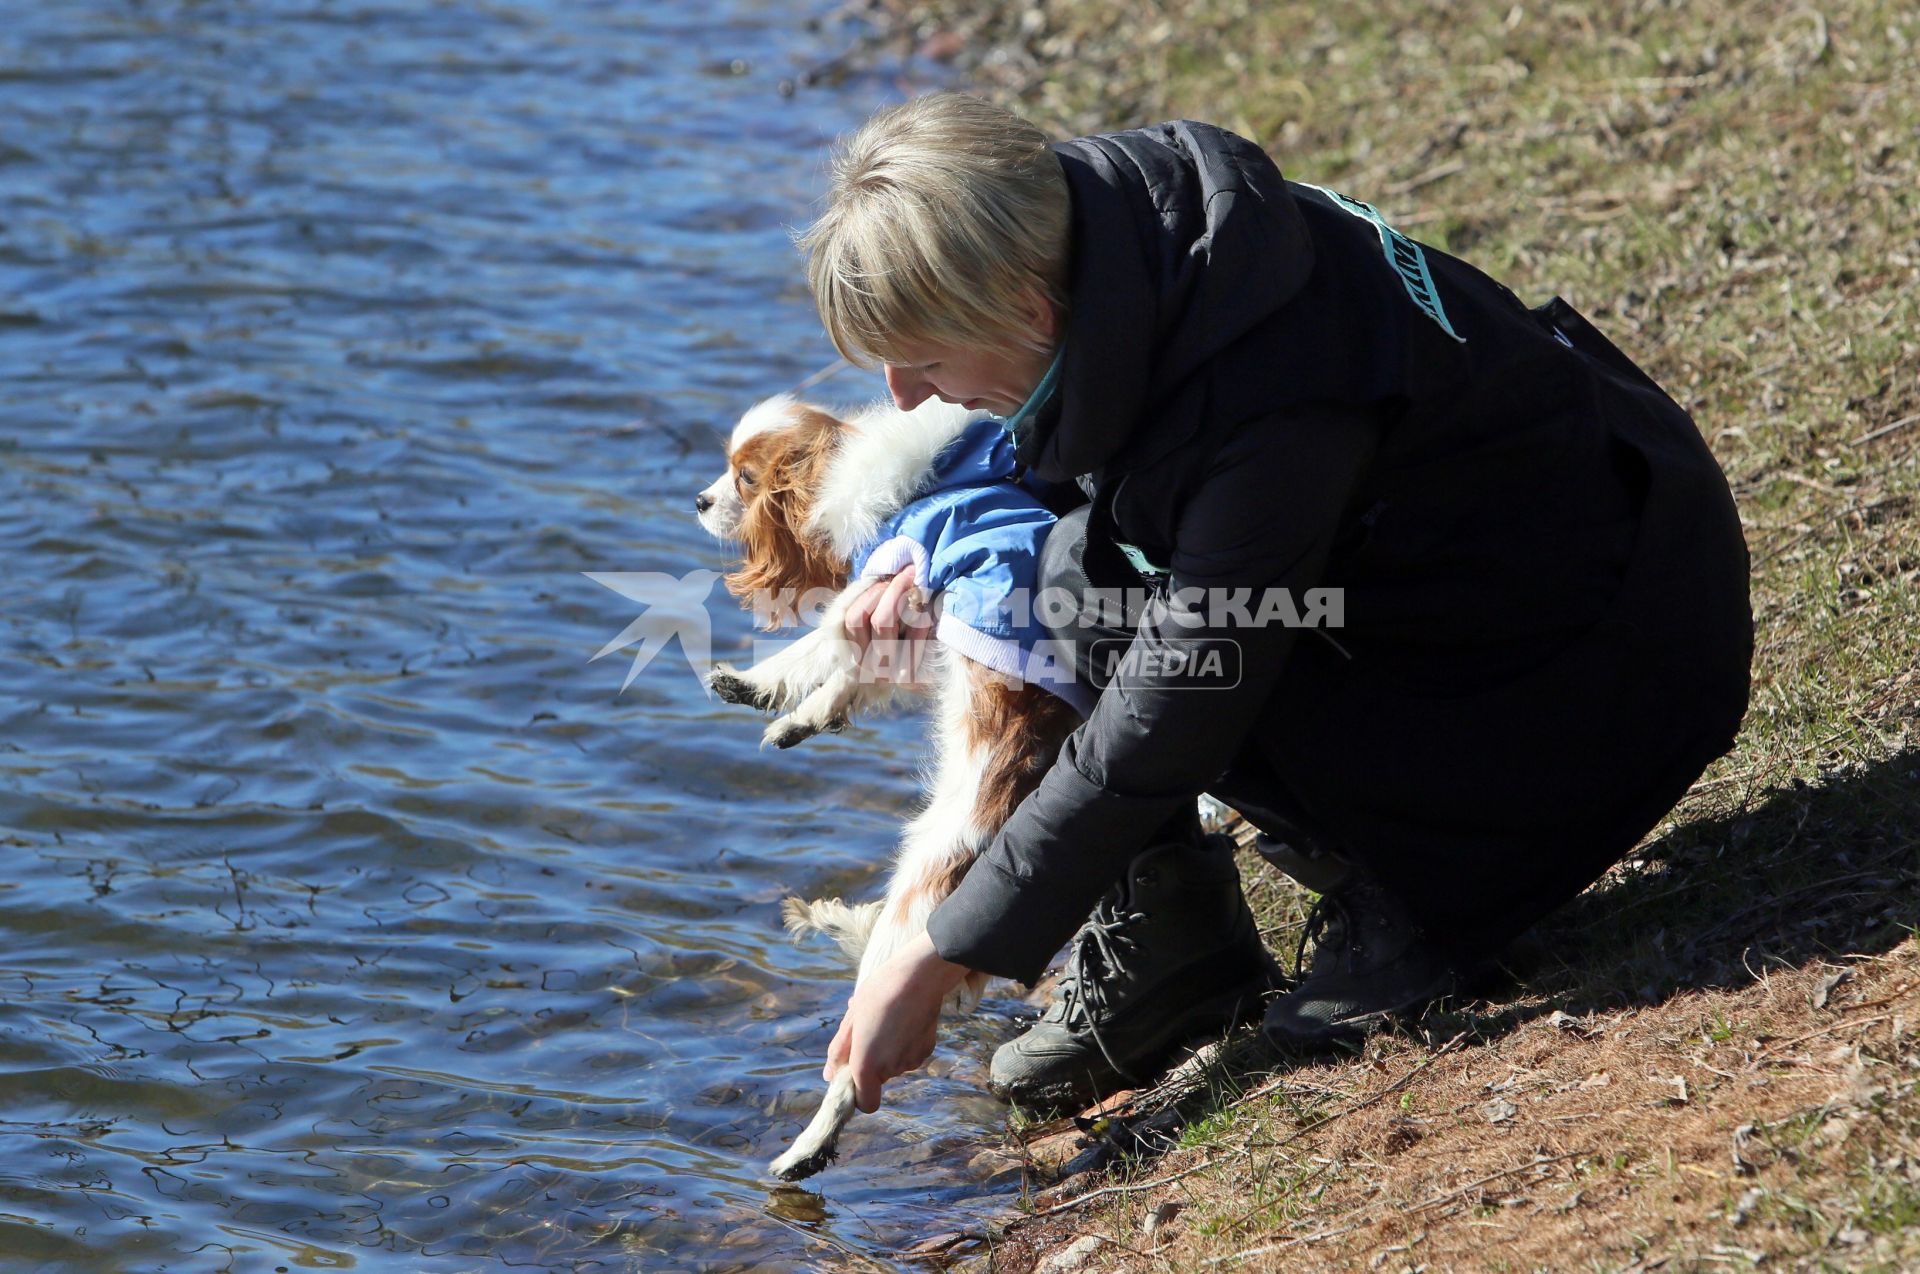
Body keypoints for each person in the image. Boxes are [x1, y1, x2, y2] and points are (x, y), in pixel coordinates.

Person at [801, 92, 1753, 1116]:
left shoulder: (1274, 396)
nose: (902, 395)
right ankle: (1180, 941)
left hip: (1609, 670)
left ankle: (1421, 905)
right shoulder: (1124, 238)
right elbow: (1084, 453)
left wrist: (945, 946)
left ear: (1027, 313)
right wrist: (938, 555)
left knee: (1169, 647)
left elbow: (1170, 707)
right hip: (1523, 576)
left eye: (926, 361)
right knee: (1059, 585)